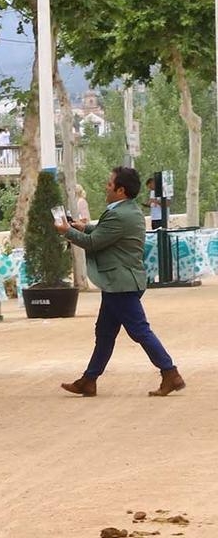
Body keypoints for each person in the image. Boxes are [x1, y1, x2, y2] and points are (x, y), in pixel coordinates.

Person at [58, 165, 185, 398]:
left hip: (120, 283)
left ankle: (170, 372)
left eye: (109, 183)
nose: (106, 187)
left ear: (120, 190)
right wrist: (84, 227)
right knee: (105, 332)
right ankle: (89, 379)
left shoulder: (117, 214)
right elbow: (106, 232)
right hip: (124, 281)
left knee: (139, 331)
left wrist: (66, 231)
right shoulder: (131, 210)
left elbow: (94, 243)